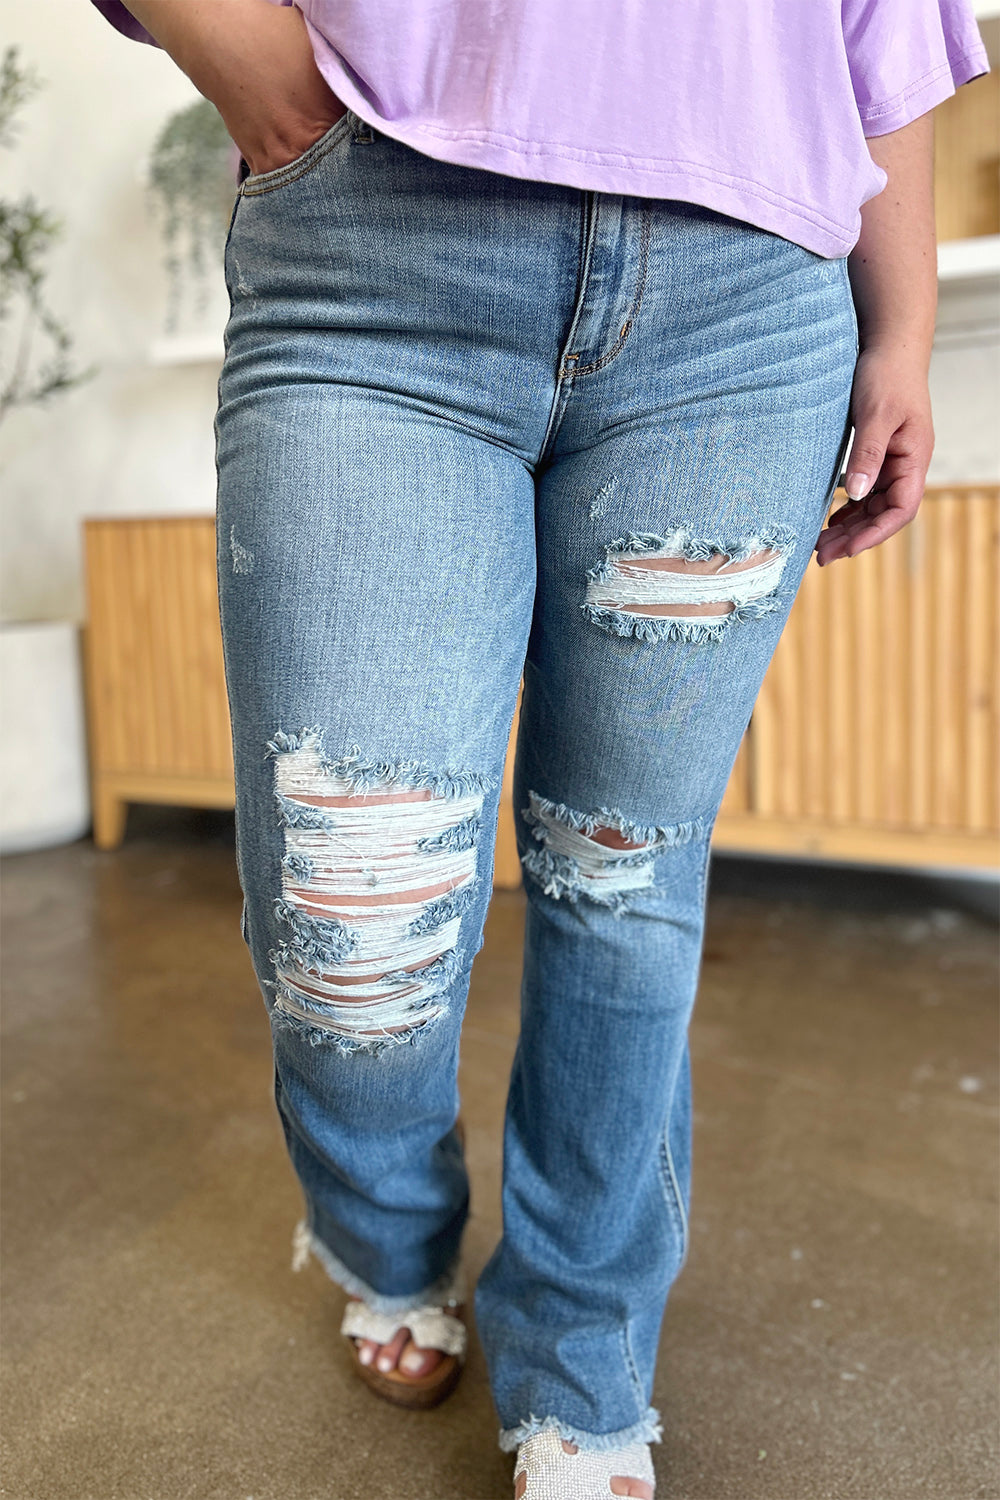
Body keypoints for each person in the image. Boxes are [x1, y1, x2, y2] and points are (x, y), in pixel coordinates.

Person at [90, 2, 989, 1494]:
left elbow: (883, 28)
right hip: (380, 251)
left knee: (623, 877)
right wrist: (244, 54)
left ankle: (583, 1347)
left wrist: (902, 335)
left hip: (749, 304)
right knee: (353, 924)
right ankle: (386, 1235)